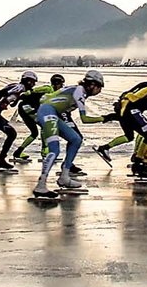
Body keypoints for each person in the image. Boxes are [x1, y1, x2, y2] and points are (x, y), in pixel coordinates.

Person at [31, 70, 110, 200]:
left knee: (76, 139)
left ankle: (64, 177)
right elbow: (85, 119)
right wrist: (105, 118)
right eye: (99, 87)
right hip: (47, 112)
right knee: (54, 150)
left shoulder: (79, 90)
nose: (100, 91)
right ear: (91, 85)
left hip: (52, 112)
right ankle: (41, 185)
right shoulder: (80, 92)